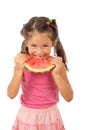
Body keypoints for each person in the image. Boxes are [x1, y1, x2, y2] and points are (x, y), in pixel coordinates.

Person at [7, 16, 73, 130]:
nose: (39, 51)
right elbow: (11, 95)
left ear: (53, 43)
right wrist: (18, 70)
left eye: (45, 46)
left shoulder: (57, 65)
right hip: (27, 116)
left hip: (51, 117)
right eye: (34, 45)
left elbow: (69, 97)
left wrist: (56, 74)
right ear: (26, 43)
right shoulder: (22, 65)